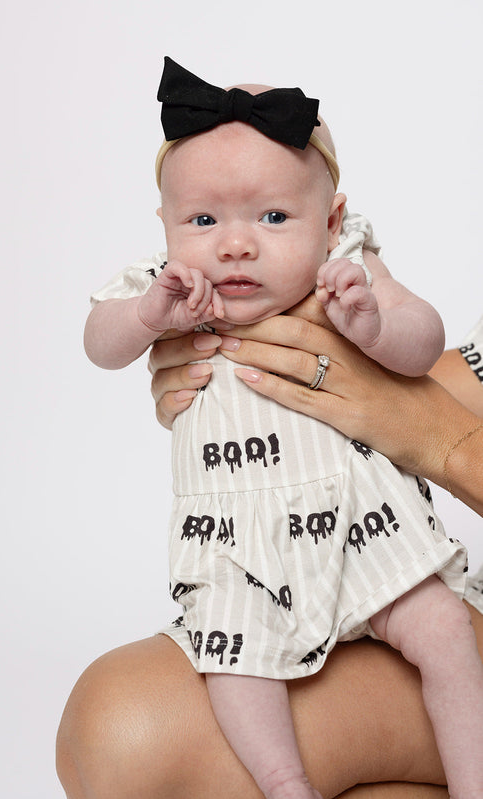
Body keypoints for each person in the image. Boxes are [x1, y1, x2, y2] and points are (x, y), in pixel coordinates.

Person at [77, 57, 483, 799]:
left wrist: (374, 326)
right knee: (233, 663)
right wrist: (145, 319)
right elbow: (99, 343)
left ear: (330, 222)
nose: (235, 244)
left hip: (364, 522)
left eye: (272, 217)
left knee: (445, 632)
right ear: (164, 224)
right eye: (203, 220)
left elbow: (422, 341)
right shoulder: (164, 284)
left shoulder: (346, 268)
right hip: (237, 540)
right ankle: (285, 784)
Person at [56, 320, 483, 799]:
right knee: (122, 733)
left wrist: (451, 441)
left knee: (131, 734)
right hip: (286, 539)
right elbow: (448, 372)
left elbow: (429, 394)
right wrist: (267, 374)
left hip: (387, 554)